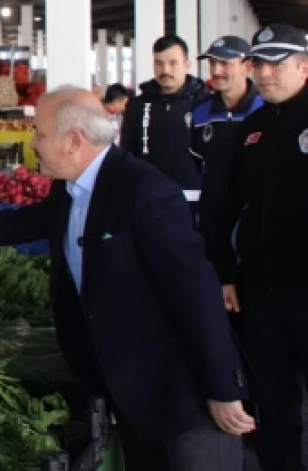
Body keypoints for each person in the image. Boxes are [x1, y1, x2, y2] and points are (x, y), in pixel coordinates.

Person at [0, 86, 253, 471]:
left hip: (182, 394)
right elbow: (28, 221)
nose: (32, 143)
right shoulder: (71, 188)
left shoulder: (144, 192)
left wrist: (222, 388)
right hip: (129, 391)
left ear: (73, 141)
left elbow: (196, 292)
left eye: (39, 133)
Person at [210, 24, 308, 471]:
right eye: (260, 64)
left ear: (303, 67)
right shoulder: (251, 130)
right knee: (274, 402)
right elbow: (224, 206)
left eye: (277, 64)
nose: (265, 74)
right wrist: (225, 272)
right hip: (262, 294)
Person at [189, 36, 262, 259]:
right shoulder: (200, 113)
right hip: (212, 222)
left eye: (225, 63)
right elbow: (198, 161)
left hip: (255, 221)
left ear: (247, 66)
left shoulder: (265, 109)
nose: (216, 70)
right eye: (212, 63)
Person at [120, 35, 210, 190]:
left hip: (194, 199)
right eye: (159, 63)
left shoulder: (205, 103)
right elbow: (127, 153)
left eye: (173, 63)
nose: (165, 70)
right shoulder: (137, 106)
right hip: (149, 198)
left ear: (187, 65)